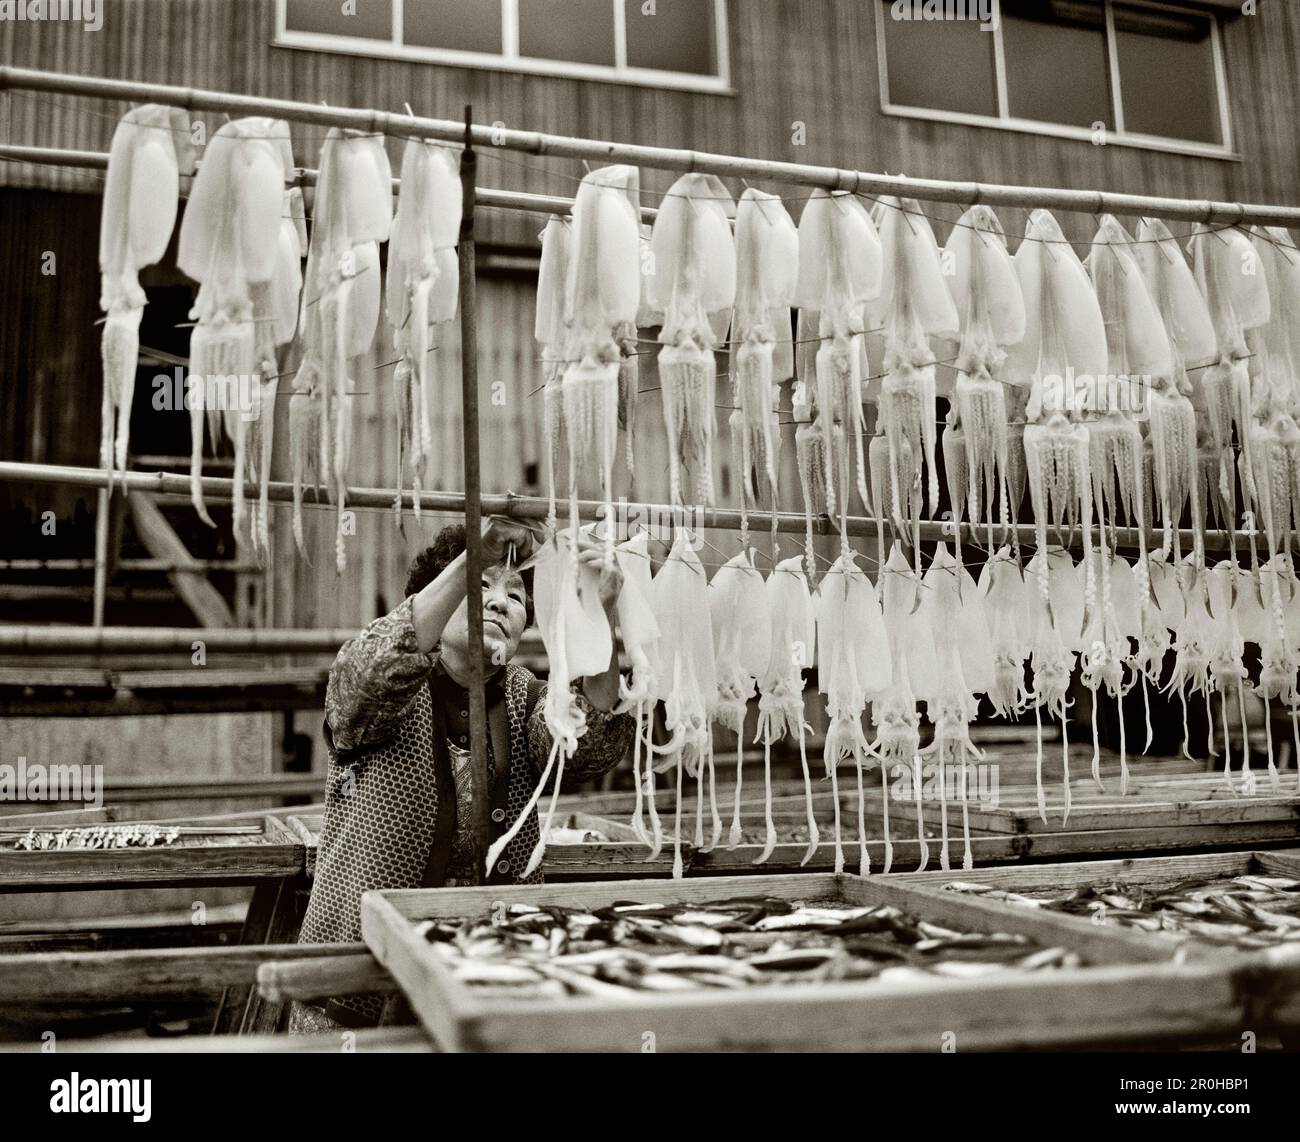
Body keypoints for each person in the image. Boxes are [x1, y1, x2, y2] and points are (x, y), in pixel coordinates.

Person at [291, 519, 635, 1030]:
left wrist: (602, 611)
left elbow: (588, 747)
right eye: (480, 586)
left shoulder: (527, 698)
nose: (499, 603)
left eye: (516, 597)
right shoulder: (385, 690)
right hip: (360, 979)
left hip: (489, 975)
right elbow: (365, 677)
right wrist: (472, 556)